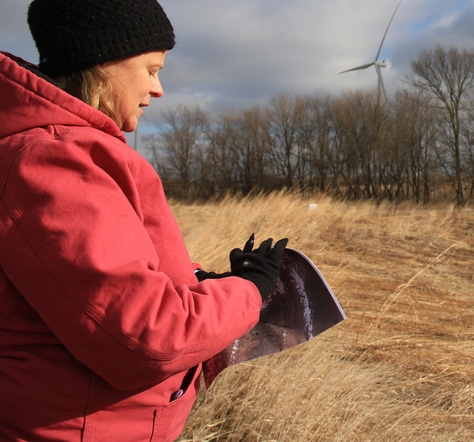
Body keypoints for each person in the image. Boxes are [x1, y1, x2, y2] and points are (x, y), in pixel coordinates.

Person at [0, 0, 286, 440]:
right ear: (103, 63)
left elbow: (102, 290)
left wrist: (199, 283)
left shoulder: (71, 152)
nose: (159, 89)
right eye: (151, 70)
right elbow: (146, 338)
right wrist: (248, 292)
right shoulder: (53, 160)